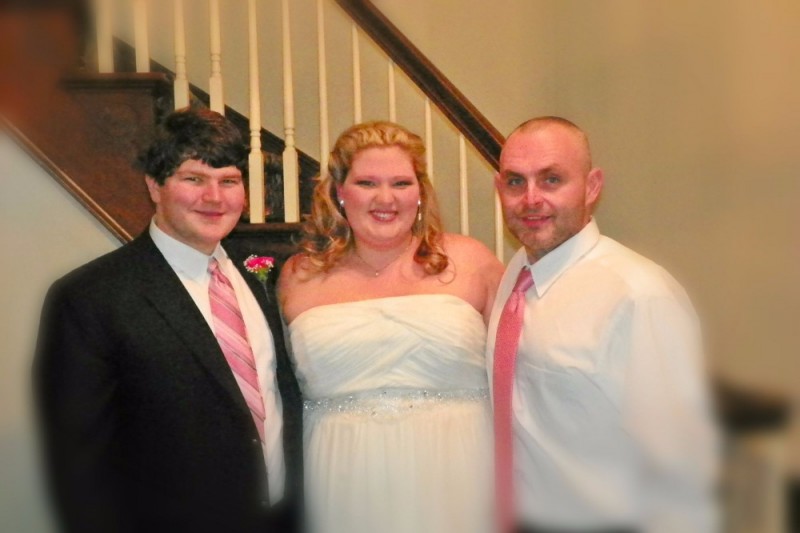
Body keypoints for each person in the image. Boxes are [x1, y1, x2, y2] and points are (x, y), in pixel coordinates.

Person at [34, 107, 302, 533]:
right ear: (154, 186)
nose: (214, 198)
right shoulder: (90, 296)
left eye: (229, 181)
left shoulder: (264, 275)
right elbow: (79, 462)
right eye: (194, 179)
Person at [488, 116, 718, 533]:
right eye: (516, 182)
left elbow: (680, 467)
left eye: (552, 179)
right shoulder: (518, 273)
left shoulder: (639, 295)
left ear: (592, 187)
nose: (531, 199)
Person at [278, 121, 504, 533]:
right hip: (343, 479)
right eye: (367, 183)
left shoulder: (472, 261)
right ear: (339, 191)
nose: (386, 199)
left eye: (401, 183)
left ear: (420, 192)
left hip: (459, 475)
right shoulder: (299, 276)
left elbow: (522, 376)